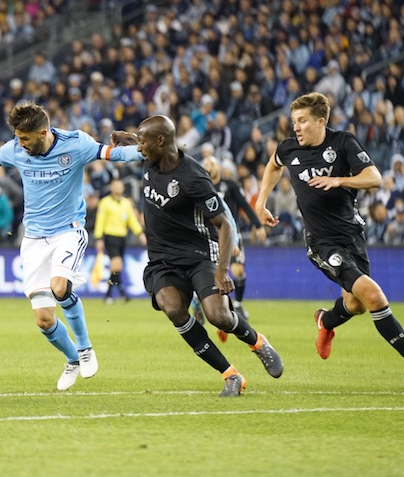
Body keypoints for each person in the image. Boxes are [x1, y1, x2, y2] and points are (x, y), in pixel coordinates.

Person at [0, 102, 143, 391]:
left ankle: (85, 349)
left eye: (24, 138)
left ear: (43, 132)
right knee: (44, 320)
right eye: (18, 138)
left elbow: (114, 153)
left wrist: (147, 148)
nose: (20, 144)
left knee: (60, 288)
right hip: (33, 239)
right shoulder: (16, 149)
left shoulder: (76, 144)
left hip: (67, 231)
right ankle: (72, 360)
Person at [254, 92, 404, 387]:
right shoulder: (289, 148)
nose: (296, 127)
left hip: (352, 236)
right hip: (322, 243)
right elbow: (273, 165)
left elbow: (374, 178)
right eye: (294, 121)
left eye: (303, 121)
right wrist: (260, 203)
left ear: (321, 121)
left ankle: (326, 321)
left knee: (356, 305)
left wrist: (339, 180)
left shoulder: (343, 142)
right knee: (374, 297)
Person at [133, 114, 283, 397]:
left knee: (218, 316)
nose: (139, 148)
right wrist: (125, 138)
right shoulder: (149, 158)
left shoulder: (193, 177)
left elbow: (224, 223)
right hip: (162, 259)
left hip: (199, 254)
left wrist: (222, 270)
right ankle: (231, 375)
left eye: (143, 142)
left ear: (161, 141)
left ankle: (258, 342)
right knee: (174, 309)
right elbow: (135, 144)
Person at [201, 155, 267, 320]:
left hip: (230, 232)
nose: (210, 166)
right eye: (207, 164)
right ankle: (200, 304)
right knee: (208, 272)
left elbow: (243, 205)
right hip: (210, 234)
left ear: (219, 168)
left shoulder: (229, 185)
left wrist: (258, 225)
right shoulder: (201, 188)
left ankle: (237, 304)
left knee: (237, 269)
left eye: (213, 163)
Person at [93, 178, 147, 304]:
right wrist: (99, 238)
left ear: (123, 188)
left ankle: (115, 294)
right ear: (111, 188)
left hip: (122, 238)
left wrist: (140, 233)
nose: (117, 188)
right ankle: (115, 294)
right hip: (110, 236)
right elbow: (100, 221)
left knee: (117, 267)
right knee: (116, 264)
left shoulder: (126, 203)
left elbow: (132, 221)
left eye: (119, 186)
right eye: (115, 186)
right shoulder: (105, 203)